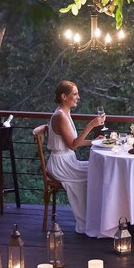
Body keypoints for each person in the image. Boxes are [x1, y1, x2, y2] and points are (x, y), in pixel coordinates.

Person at [47, 80, 106, 234]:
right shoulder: (59, 116)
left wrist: (94, 141)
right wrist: (91, 126)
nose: (78, 97)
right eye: (75, 94)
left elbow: (73, 143)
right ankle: (89, 220)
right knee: (95, 172)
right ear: (64, 96)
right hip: (61, 164)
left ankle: (99, 216)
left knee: (99, 168)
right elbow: (73, 145)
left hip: (69, 160)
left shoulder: (66, 112)